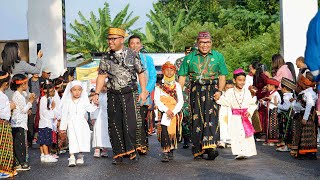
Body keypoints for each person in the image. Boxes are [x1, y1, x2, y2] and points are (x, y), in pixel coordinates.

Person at [92, 27, 148, 165]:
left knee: (131, 124)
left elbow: (141, 72)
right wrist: (96, 93)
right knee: (114, 124)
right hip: (113, 94)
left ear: (122, 40)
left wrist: (144, 91)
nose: (110, 42)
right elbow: (101, 76)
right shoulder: (106, 57)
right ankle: (118, 153)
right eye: (109, 39)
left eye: (113, 39)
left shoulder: (132, 54)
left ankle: (132, 150)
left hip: (130, 93)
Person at [178, 31, 228, 160]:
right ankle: (198, 148)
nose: (204, 45)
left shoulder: (218, 56)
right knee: (196, 119)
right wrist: (178, 93)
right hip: (195, 90)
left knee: (212, 118)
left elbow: (222, 75)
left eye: (207, 42)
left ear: (211, 43)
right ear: (197, 43)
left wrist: (220, 91)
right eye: (202, 43)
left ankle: (211, 147)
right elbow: (182, 76)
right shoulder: (189, 58)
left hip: (212, 89)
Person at [217, 69, 257, 159]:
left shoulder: (247, 92)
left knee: (246, 135)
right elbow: (224, 101)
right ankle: (239, 152)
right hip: (235, 117)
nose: (242, 82)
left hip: (246, 116)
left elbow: (252, 104)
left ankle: (246, 152)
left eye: (243, 80)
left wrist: (249, 112)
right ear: (235, 80)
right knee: (236, 135)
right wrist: (217, 98)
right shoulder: (230, 92)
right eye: (240, 80)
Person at [128, 35, 157, 154]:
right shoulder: (125, 59)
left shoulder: (147, 59)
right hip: (129, 94)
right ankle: (131, 146)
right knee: (130, 121)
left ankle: (142, 145)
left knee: (141, 120)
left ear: (141, 45)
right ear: (128, 46)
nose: (135, 45)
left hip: (143, 95)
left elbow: (153, 76)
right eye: (132, 43)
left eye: (137, 43)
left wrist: (146, 91)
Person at [59, 80, 97, 167]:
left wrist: (95, 105)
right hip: (71, 123)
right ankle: (72, 157)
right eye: (74, 90)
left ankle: (80, 155)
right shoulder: (67, 101)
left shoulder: (84, 100)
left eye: (79, 90)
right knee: (72, 139)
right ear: (71, 91)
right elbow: (64, 114)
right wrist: (62, 127)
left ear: (82, 91)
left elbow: (89, 108)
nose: (77, 92)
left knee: (81, 138)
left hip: (81, 123)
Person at [154, 61, 183, 162]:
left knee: (172, 131)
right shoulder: (159, 86)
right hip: (164, 111)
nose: (169, 72)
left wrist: (174, 111)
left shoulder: (177, 85)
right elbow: (157, 100)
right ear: (163, 71)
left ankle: (171, 150)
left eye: (171, 70)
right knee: (164, 131)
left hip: (174, 112)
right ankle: (165, 151)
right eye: (167, 69)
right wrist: (166, 110)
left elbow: (181, 101)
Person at [10, 74, 36, 171]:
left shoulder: (19, 94)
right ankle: (21, 163)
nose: (28, 86)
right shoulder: (18, 96)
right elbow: (23, 110)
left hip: (18, 123)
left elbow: (23, 104)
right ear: (22, 85)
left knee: (19, 143)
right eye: (26, 83)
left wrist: (29, 98)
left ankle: (18, 162)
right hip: (19, 123)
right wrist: (31, 102)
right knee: (21, 144)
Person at [291, 71, 318, 159]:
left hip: (308, 116)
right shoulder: (307, 92)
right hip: (305, 115)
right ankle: (306, 152)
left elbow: (309, 105)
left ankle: (308, 153)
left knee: (307, 135)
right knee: (306, 135)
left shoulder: (308, 93)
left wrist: (305, 117)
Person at [175, 46, 192, 149]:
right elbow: (176, 77)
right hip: (183, 92)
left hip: (195, 91)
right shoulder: (179, 62)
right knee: (184, 114)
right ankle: (185, 137)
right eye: (188, 52)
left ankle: (194, 137)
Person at [0, 71, 16, 178]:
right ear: (5, 84)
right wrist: (10, 107)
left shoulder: (3, 95)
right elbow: (2, 112)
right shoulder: (1, 96)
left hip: (4, 124)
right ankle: (3, 169)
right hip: (2, 124)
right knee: (4, 147)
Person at [38, 82, 58, 163]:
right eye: (52, 91)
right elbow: (44, 112)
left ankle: (46, 154)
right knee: (45, 140)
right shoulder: (44, 99)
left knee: (47, 139)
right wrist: (52, 112)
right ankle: (45, 155)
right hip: (45, 123)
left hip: (48, 123)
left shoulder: (49, 99)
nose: (54, 93)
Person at [259, 78, 281, 146]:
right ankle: (268, 140)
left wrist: (271, 99)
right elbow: (268, 103)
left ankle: (273, 140)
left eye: (268, 85)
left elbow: (277, 102)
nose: (267, 87)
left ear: (272, 86)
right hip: (269, 110)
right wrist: (263, 102)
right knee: (269, 126)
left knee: (273, 126)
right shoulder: (270, 93)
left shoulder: (276, 94)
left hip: (274, 111)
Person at [276, 78, 296, 152]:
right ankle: (287, 145)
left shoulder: (286, 97)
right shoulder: (291, 95)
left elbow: (286, 107)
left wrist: (278, 105)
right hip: (291, 116)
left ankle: (287, 146)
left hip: (287, 117)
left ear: (284, 88)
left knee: (286, 131)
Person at [92, 83, 111, 158]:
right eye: (101, 86)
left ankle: (104, 149)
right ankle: (97, 149)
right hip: (98, 116)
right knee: (97, 132)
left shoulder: (110, 96)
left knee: (106, 132)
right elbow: (93, 107)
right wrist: (93, 117)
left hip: (107, 116)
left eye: (105, 87)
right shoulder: (97, 96)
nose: (103, 89)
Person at [27, 65, 41, 146]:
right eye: (34, 71)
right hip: (32, 104)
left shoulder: (42, 80)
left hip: (40, 104)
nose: (36, 73)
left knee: (39, 121)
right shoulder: (28, 81)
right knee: (31, 122)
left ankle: (38, 138)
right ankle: (30, 140)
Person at [218, 80, 234, 148]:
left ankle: (230, 140)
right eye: (227, 88)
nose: (229, 89)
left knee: (231, 125)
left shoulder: (234, 95)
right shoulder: (221, 94)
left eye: (231, 88)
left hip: (231, 112)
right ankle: (222, 140)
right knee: (222, 125)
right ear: (224, 87)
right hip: (223, 111)